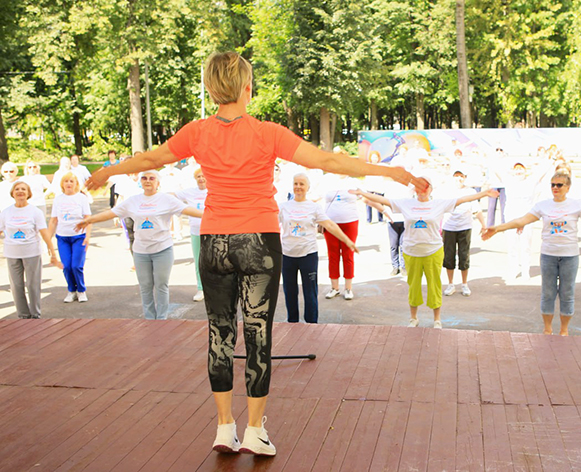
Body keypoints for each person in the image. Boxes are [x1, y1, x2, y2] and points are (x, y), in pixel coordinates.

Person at [84, 51, 425, 457]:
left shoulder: (196, 132)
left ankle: (224, 427)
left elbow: (149, 159)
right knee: (258, 334)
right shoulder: (268, 133)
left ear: (211, 91)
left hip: (214, 242)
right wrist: (390, 172)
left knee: (219, 333)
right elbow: (329, 160)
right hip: (259, 242)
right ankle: (254, 430)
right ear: (248, 87)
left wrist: (107, 172)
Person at [482, 172, 581, 336]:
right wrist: (497, 228)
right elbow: (522, 220)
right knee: (548, 293)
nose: (555, 188)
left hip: (569, 256)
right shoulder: (543, 205)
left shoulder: (577, 205)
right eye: (552, 185)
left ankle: (564, 330)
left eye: (559, 185)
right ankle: (547, 328)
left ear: (568, 188)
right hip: (548, 255)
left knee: (567, 293)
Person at [352, 180, 496, 329]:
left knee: (434, 285)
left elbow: (463, 199)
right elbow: (383, 200)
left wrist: (484, 193)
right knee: (413, 286)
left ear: (431, 189)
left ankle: (437, 320)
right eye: (419, 187)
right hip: (411, 251)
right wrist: (362, 193)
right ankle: (413, 318)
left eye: (425, 187)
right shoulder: (406, 203)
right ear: (414, 189)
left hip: (433, 251)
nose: (422, 190)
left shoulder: (439, 204)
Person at [77, 170, 203, 319]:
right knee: (145, 286)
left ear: (158, 183)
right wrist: (89, 220)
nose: (147, 181)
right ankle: (149, 318)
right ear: (140, 182)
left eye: (151, 178)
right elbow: (112, 213)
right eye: (144, 178)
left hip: (162, 249)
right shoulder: (133, 201)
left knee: (161, 285)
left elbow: (189, 210)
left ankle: (161, 318)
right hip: (141, 251)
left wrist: (213, 215)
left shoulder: (167, 199)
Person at [279, 173, 357, 323]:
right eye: (296, 184)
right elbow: (271, 224)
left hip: (308, 254)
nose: (298, 187)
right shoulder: (283, 207)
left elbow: (329, 225)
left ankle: (311, 324)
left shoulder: (314, 207)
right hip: (288, 255)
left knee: (310, 292)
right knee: (290, 292)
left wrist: (347, 240)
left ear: (308, 187)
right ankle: (292, 322)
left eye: (302, 184)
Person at [0, 181, 60, 318]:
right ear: (12, 193)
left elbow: (44, 232)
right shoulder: (6, 212)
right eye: (17, 189)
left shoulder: (35, 212)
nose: (20, 191)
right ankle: (23, 315)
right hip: (12, 253)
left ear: (28, 194)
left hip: (31, 252)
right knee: (16, 286)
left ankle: (35, 315)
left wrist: (52, 251)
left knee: (33, 285)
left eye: (23, 189)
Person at [48, 173, 92, 303]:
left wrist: (88, 236)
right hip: (63, 237)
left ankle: (81, 290)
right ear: (62, 184)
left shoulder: (81, 198)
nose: (68, 184)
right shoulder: (58, 199)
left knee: (76, 266)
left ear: (76, 184)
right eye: (66, 181)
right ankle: (71, 290)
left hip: (79, 236)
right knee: (66, 266)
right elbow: (53, 221)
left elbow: (88, 219)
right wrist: (48, 239)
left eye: (71, 181)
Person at [442, 170, 485, 296]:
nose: (459, 179)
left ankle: (464, 284)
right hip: (449, 227)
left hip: (465, 227)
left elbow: (477, 210)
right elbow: (438, 208)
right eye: (456, 176)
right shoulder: (445, 190)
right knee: (448, 256)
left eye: (461, 176)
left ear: (465, 178)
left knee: (464, 256)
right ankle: (450, 284)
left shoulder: (470, 192)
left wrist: (483, 224)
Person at [322, 175, 360, 301]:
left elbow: (364, 196)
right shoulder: (327, 179)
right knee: (333, 255)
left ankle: (348, 288)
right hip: (330, 223)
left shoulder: (353, 181)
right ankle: (335, 287)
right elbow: (319, 199)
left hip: (349, 222)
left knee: (348, 254)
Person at [175, 167, 208, 302]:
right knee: (198, 260)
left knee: (214, 261)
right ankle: (201, 288)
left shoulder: (214, 191)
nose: (201, 179)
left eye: (203, 176)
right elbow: (172, 196)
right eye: (198, 176)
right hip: (195, 231)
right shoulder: (189, 192)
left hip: (212, 230)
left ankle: (213, 288)